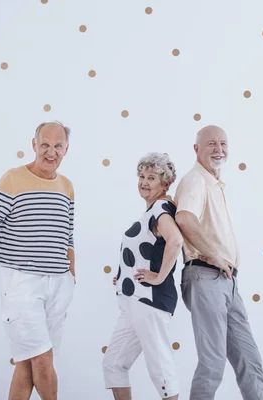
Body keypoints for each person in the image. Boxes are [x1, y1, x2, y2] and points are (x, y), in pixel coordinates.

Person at [0, 121, 76, 400]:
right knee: (42, 358)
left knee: (27, 361)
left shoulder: (66, 186)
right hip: (21, 283)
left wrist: (72, 274)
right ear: (34, 145)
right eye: (45, 145)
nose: (51, 152)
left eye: (57, 146)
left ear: (66, 149)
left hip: (59, 284)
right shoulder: (13, 178)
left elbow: (68, 234)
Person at [173, 125, 263, 400]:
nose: (219, 150)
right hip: (206, 276)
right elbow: (185, 218)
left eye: (223, 144)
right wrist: (215, 254)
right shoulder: (195, 180)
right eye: (211, 144)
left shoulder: (214, 183)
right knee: (213, 363)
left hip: (226, 281)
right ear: (196, 149)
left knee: (249, 360)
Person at [102, 152, 183, 400]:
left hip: (150, 300)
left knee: (161, 370)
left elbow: (176, 240)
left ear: (165, 183)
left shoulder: (160, 207)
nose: (144, 182)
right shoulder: (150, 212)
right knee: (113, 363)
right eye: (141, 176)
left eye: (152, 178)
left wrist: (158, 277)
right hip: (133, 300)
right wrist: (123, 276)